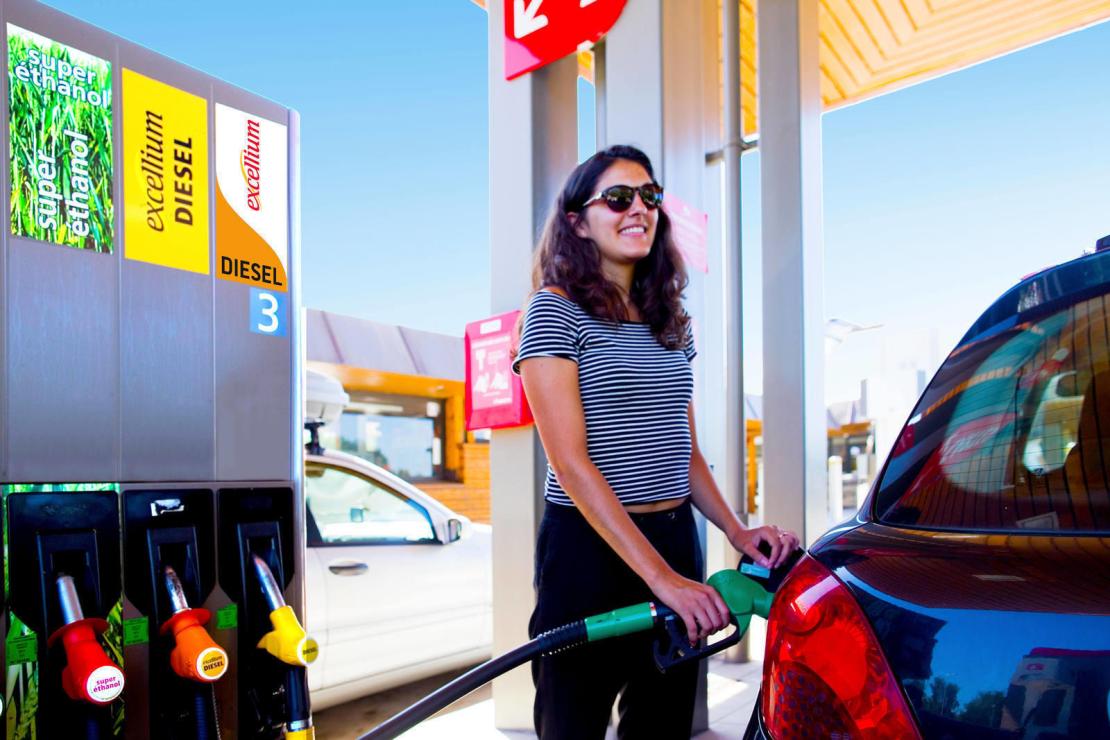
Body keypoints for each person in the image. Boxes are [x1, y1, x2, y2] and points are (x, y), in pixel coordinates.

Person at [511, 144, 800, 739]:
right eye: (617, 198)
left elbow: (684, 452)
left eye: (649, 196)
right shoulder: (553, 312)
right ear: (577, 221)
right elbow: (570, 463)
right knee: (572, 724)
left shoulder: (667, 319)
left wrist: (736, 530)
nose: (637, 208)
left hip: (673, 536)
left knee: (663, 725)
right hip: (588, 553)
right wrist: (662, 581)